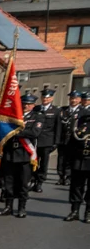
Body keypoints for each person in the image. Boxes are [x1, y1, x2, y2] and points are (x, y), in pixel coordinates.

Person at [0, 94, 42, 218]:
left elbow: (34, 133)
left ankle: (22, 208)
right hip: (10, 153)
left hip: (25, 154)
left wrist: (16, 131)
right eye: (24, 103)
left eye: (29, 104)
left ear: (33, 105)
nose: (26, 106)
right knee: (8, 182)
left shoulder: (37, 117)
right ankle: (8, 206)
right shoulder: (13, 117)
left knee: (23, 183)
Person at [64, 94, 90, 222]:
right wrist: (68, 162)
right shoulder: (81, 122)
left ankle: (88, 212)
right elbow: (72, 143)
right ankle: (74, 211)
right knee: (76, 187)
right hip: (79, 159)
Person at [30, 89, 59, 192]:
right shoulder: (36, 109)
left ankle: (40, 182)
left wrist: (56, 142)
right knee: (33, 161)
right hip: (34, 140)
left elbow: (57, 128)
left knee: (44, 163)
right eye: (44, 97)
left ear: (51, 98)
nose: (45, 99)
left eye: (47, 97)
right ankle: (32, 179)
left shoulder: (56, 111)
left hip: (47, 140)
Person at [57, 91, 81, 186]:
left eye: (75, 98)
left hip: (74, 139)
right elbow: (58, 126)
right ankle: (61, 176)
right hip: (63, 139)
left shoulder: (83, 111)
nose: (73, 100)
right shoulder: (63, 110)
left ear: (79, 100)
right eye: (72, 98)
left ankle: (68, 177)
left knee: (70, 159)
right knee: (61, 159)